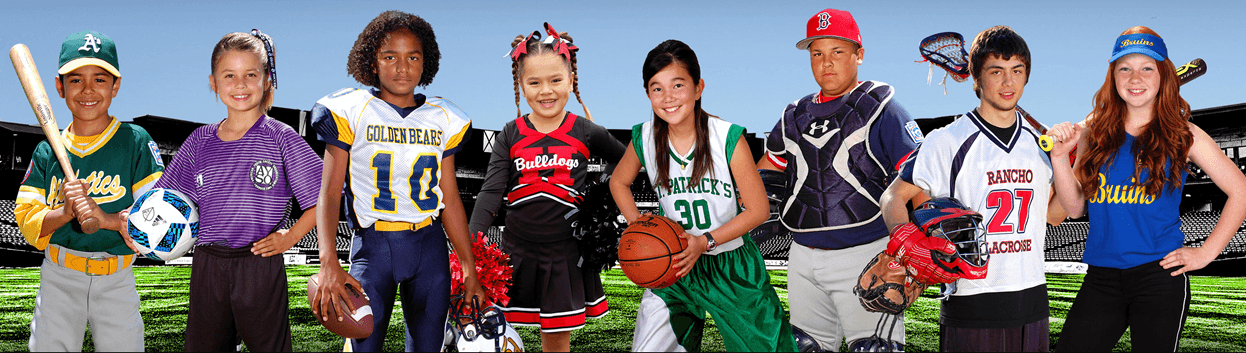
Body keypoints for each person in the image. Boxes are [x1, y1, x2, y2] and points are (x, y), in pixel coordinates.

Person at [120, 30, 322, 352]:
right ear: (213, 83)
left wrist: (290, 236)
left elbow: (324, 199)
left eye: (250, 75)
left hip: (259, 263)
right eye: (229, 76)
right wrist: (132, 221)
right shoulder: (199, 141)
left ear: (267, 80)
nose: (240, 84)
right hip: (208, 265)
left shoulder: (281, 138)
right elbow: (161, 198)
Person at [1047, 26, 1246, 352]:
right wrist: (1058, 158)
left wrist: (1206, 253)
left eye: (1147, 68)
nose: (1135, 78)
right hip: (1101, 277)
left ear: (1163, 75)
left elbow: (1241, 190)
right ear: (1113, 76)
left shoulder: (1185, 135)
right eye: (1125, 68)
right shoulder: (1094, 134)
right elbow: (1074, 208)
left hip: (1159, 277)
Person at [878, 26, 1067, 352]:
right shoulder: (946, 141)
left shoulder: (1041, 144)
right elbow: (893, 196)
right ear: (977, 78)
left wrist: (1080, 169)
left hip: (1033, 302)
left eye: (1017, 71)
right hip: (972, 303)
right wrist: (906, 240)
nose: (1008, 82)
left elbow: (1053, 216)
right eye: (996, 71)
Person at [310, 10, 486, 352]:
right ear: (372, 62)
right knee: (363, 345)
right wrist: (328, 259)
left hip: (429, 245)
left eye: (412, 57)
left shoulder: (443, 117)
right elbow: (329, 193)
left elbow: (449, 197)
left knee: (428, 345)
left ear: (425, 63)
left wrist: (469, 268)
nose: (402, 67)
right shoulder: (351, 109)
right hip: (373, 246)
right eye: (390, 57)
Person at [610, 39, 797, 352]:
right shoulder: (644, 137)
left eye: (678, 85)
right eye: (657, 88)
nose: (668, 97)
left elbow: (758, 210)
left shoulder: (726, 137)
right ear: (647, 94)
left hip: (730, 265)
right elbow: (618, 182)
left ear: (698, 88)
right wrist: (639, 226)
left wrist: (704, 241)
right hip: (673, 265)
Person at [757, 8, 924, 350]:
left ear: (858, 55)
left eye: (837, 51)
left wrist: (919, 243)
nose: (826, 63)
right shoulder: (793, 116)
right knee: (806, 345)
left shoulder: (882, 108)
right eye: (817, 53)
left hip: (866, 251)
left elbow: (920, 175)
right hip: (802, 256)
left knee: (874, 347)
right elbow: (769, 168)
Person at [467, 23, 624, 352]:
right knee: (490, 332)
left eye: (555, 80)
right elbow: (491, 193)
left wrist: (600, 193)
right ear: (521, 86)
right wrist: (469, 249)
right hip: (516, 252)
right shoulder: (510, 133)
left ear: (571, 80)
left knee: (556, 338)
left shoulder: (585, 130)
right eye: (534, 82)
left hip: (565, 254)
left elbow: (625, 159)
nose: (545, 91)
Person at [14, 30, 162, 351]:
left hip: (117, 277)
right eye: (76, 79)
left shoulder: (134, 140)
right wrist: (64, 212)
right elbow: (26, 220)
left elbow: (155, 219)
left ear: (115, 86)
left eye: (100, 79)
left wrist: (106, 219)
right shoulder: (47, 150)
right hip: (59, 276)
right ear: (60, 87)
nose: (88, 89)